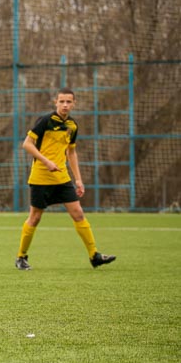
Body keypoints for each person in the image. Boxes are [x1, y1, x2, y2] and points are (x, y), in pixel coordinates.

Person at [15, 87, 116, 270]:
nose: (65, 105)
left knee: (78, 213)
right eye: (61, 101)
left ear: (74, 104)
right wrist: (46, 162)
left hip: (62, 177)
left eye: (69, 102)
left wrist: (78, 179)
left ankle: (94, 255)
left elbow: (71, 152)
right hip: (40, 177)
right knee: (35, 217)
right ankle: (21, 257)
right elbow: (27, 144)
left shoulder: (72, 126)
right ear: (56, 102)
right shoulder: (45, 121)